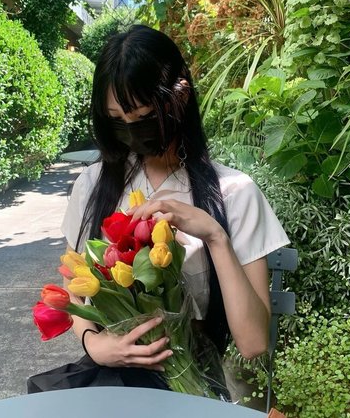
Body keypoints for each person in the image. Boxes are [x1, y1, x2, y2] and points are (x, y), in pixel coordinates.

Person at [33, 25, 290, 395]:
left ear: (180, 97)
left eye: (143, 116)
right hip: (114, 382)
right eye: (117, 119)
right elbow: (75, 286)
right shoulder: (93, 185)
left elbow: (253, 344)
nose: (131, 131)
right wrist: (94, 343)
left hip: (197, 382)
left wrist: (215, 236)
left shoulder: (233, 193)